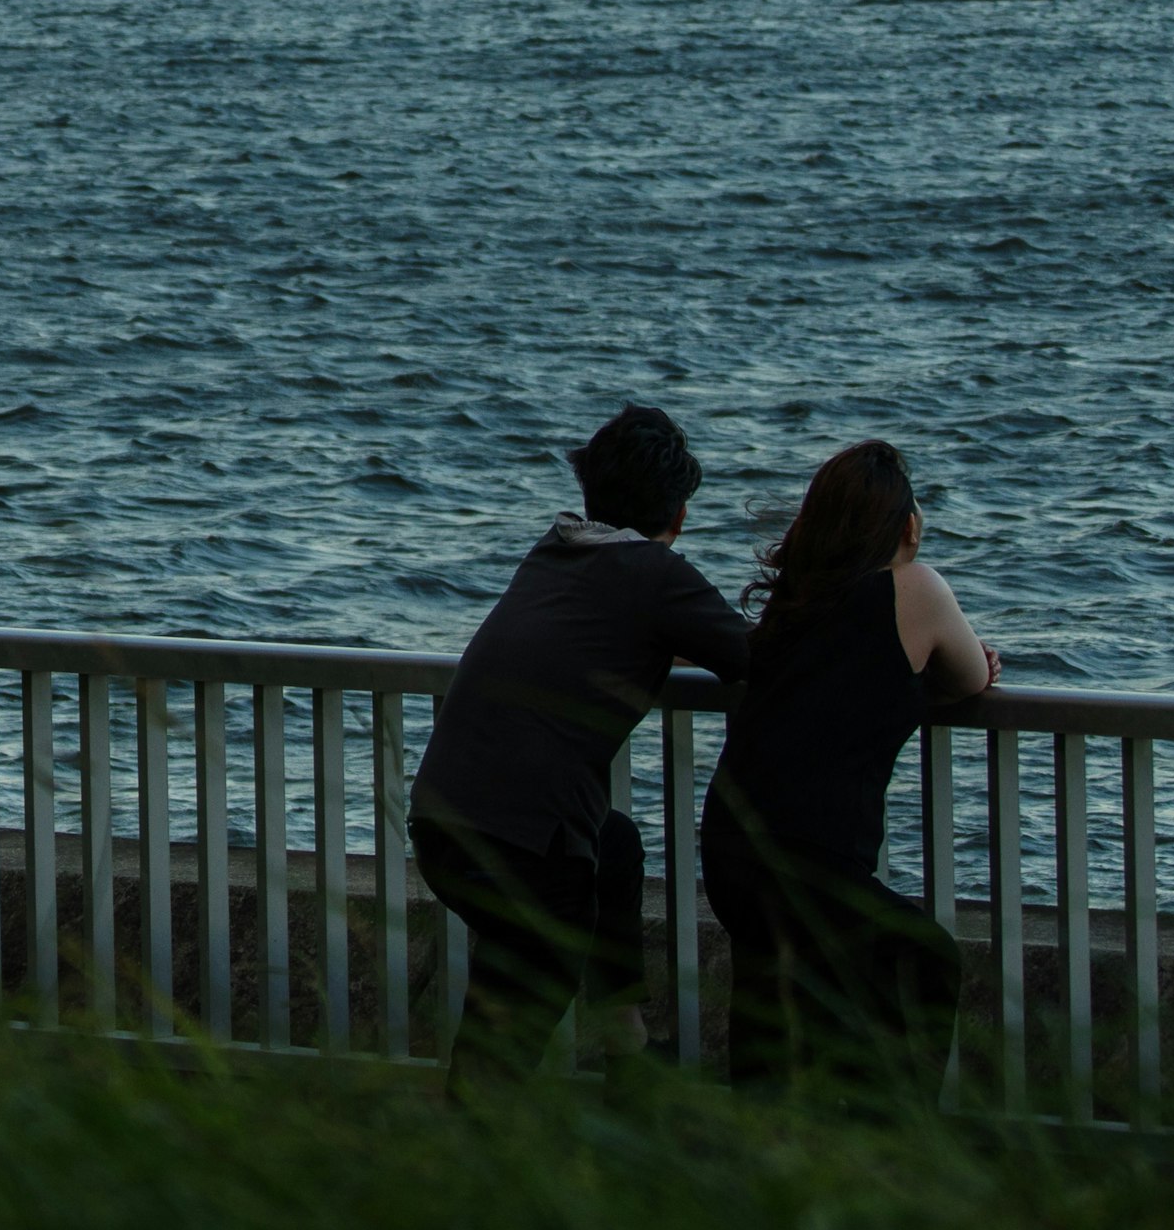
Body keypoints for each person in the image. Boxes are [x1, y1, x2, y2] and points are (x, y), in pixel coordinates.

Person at [408, 404, 749, 1093]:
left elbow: (596, 627)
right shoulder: (655, 573)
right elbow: (760, 659)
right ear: (677, 513)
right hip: (522, 843)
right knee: (516, 1011)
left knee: (612, 847)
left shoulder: (557, 551)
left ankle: (628, 1051)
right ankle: (462, 1157)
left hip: (445, 820)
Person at [698, 439, 995, 1096]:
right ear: (908, 526)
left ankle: (767, 1148)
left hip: (730, 846)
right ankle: (891, 1141)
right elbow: (971, 674)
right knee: (924, 959)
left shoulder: (794, 605)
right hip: (809, 857)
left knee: (778, 1000)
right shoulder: (912, 587)